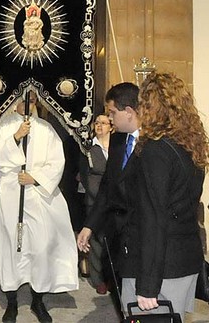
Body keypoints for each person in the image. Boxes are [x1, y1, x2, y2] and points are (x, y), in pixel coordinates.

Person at [121, 72, 209, 322]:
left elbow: (154, 218)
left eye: (144, 103)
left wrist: (148, 285)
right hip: (182, 260)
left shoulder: (156, 150)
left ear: (152, 106)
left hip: (157, 267)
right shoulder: (190, 145)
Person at [0, 92, 79, 323]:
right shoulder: (1, 127)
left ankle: (38, 300)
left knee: (39, 249)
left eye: (30, 101)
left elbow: (57, 161)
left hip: (38, 196)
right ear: (13, 101)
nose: (26, 105)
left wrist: (35, 178)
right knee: (11, 249)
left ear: (36, 102)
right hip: (10, 195)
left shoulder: (46, 129)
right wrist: (16, 138)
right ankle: (11, 302)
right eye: (22, 100)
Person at [77, 81, 141, 309]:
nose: (110, 119)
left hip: (142, 236)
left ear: (129, 112)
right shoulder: (118, 140)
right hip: (117, 235)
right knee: (124, 299)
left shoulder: (153, 144)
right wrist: (89, 225)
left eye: (112, 113)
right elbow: (107, 187)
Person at [78, 112, 112, 294]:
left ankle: (112, 278)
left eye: (103, 123)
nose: (99, 126)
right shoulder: (88, 148)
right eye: (97, 123)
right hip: (95, 198)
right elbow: (83, 174)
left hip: (114, 201)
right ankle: (98, 279)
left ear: (111, 127)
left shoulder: (118, 146)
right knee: (96, 241)